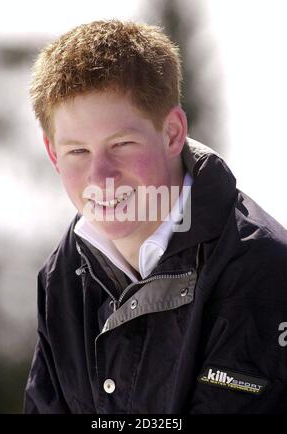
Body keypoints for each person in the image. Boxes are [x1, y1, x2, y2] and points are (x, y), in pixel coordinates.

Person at [24, 19, 287, 414]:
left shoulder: (261, 273)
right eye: (78, 151)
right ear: (53, 153)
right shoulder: (61, 276)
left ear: (172, 133)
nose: (101, 178)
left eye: (122, 144)